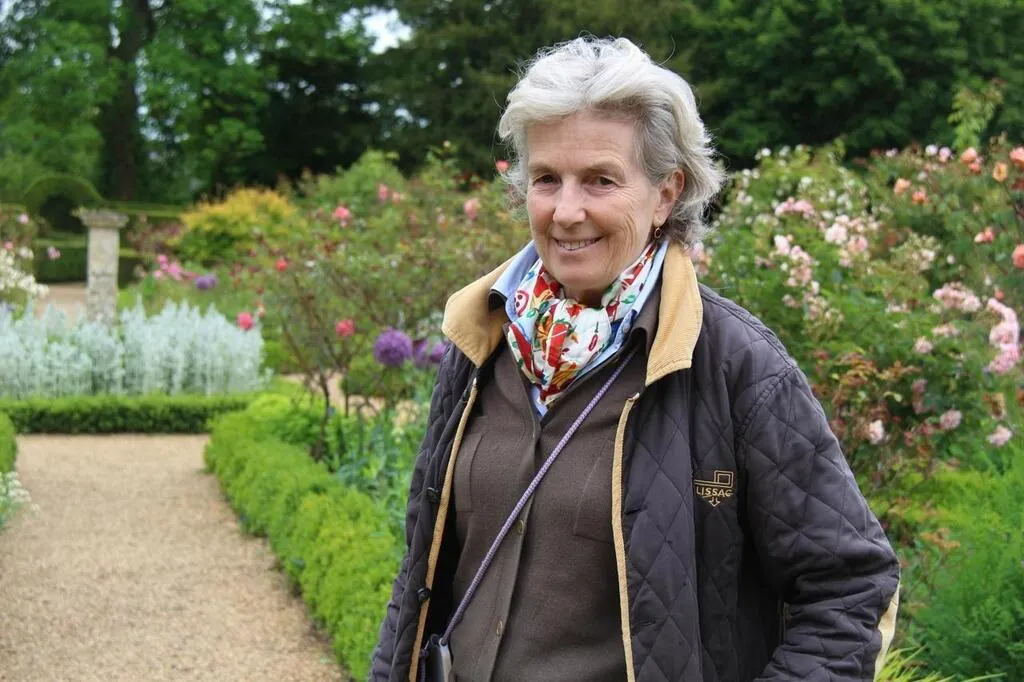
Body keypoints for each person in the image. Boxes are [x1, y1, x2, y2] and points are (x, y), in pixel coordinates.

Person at [370, 36, 900, 682]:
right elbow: (419, 575)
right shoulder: (481, 338)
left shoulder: (737, 367)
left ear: (666, 194)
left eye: (601, 180)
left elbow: (850, 587)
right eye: (547, 179)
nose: (567, 212)